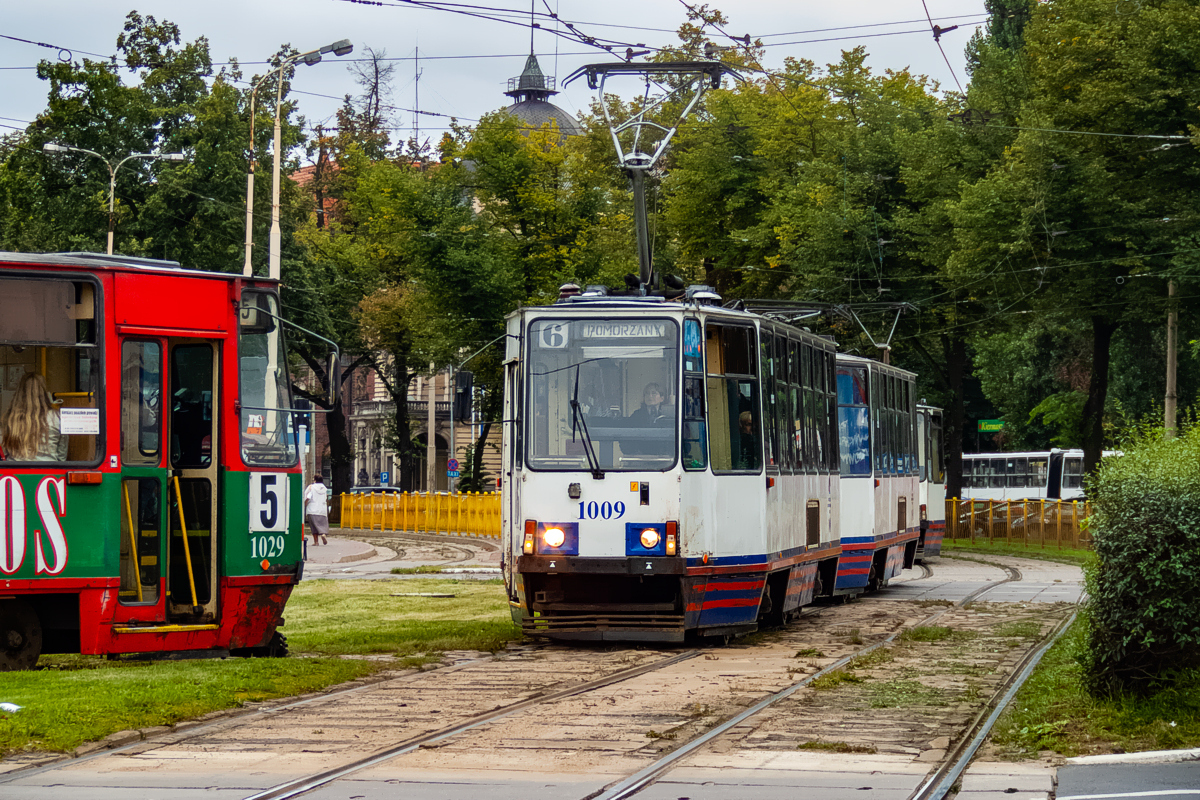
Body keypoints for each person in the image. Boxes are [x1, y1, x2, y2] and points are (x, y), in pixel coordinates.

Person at [2, 373, 67, 462]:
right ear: (44, 392)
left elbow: (3, 451)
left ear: (20, 392)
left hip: (15, 471)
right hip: (49, 471)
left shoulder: (10, 417)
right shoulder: (58, 418)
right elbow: (62, 455)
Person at [304, 475, 329, 546]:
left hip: (312, 510)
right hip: (322, 510)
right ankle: (323, 534)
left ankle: (316, 542)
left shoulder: (311, 487)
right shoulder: (324, 489)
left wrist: (305, 504)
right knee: (322, 525)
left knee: (314, 527)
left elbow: (308, 497)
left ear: (315, 480)